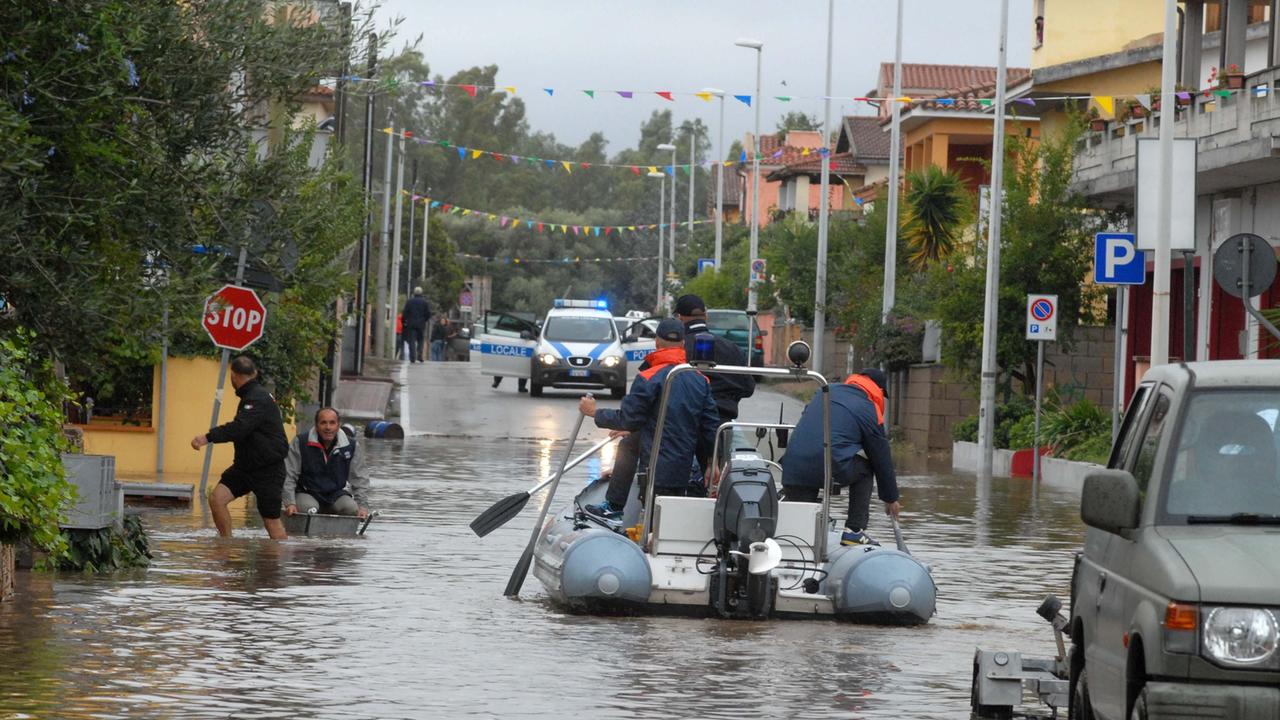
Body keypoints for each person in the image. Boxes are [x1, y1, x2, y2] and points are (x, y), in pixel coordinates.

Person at [580, 318, 719, 521]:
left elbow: (629, 419)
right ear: (682, 344)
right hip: (684, 468)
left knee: (629, 445)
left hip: (655, 468)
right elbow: (710, 426)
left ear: (656, 342)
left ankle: (614, 507)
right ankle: (617, 508)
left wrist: (595, 413)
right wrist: (712, 461)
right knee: (630, 442)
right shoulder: (700, 379)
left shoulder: (647, 377)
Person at [780, 368, 901, 546]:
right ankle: (854, 530)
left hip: (792, 467)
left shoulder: (824, 392)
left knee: (800, 532)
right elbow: (880, 456)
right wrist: (890, 498)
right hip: (827, 465)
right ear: (879, 391)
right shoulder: (867, 407)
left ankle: (797, 541)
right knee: (866, 469)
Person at [191, 356, 290, 539]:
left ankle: (281, 564)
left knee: (271, 520)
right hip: (245, 467)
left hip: (268, 469)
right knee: (217, 499)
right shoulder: (252, 395)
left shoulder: (257, 397)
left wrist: (207, 437)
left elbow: (240, 428)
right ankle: (226, 545)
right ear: (255, 373)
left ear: (233, 376)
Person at [673, 294, 755, 421]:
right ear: (706, 316)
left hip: (683, 423)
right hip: (722, 423)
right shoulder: (732, 348)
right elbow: (748, 388)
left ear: (679, 318)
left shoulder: (675, 350)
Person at [283, 407, 371, 518]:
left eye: (332, 423)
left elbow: (360, 479)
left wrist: (362, 507)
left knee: (351, 508)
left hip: (335, 495)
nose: (328, 427)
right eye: (323, 423)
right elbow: (289, 475)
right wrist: (290, 503)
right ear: (316, 425)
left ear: (338, 425)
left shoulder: (351, 446)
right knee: (309, 507)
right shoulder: (300, 442)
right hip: (306, 493)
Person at [401, 287, 431, 363]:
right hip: (421, 324)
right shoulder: (425, 302)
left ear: (414, 293)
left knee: (412, 340)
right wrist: (425, 320)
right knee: (420, 339)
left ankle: (412, 357)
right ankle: (420, 354)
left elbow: (405, 313)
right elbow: (428, 313)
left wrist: (404, 321)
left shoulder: (409, 302)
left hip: (411, 324)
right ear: (421, 293)